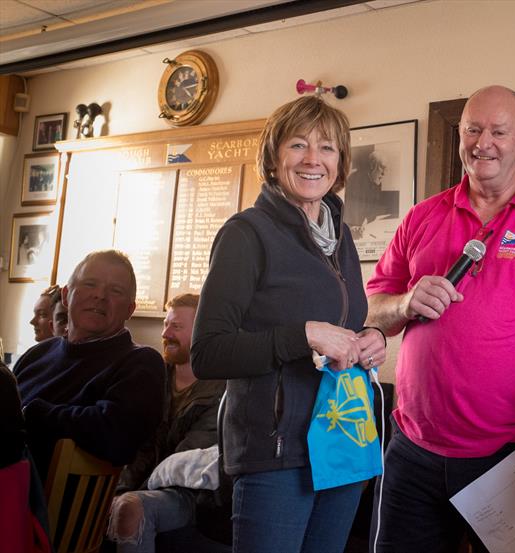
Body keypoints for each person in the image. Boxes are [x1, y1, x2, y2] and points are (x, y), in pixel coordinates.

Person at [365, 85, 515, 552]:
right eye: (472, 129)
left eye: (498, 131)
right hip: (413, 450)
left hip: (513, 456)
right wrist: (404, 302)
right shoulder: (421, 217)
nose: (482, 142)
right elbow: (371, 308)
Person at [191, 95, 387, 553]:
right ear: (274, 156)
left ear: (341, 162)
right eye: (298, 145)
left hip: (340, 442)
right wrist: (302, 336)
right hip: (276, 456)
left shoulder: (339, 238)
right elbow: (207, 352)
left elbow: (344, 323)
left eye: (327, 148)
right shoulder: (246, 233)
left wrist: (369, 339)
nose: (313, 159)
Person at [14, 250, 165, 477]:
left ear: (130, 310)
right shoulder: (35, 355)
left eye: (115, 290)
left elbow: (117, 436)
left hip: (44, 505)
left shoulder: (140, 363)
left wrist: (33, 414)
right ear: (66, 296)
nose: (100, 296)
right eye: (90, 284)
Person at [107, 293, 226, 552]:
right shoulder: (154, 377)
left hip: (191, 492)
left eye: (177, 327)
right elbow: (141, 444)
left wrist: (129, 495)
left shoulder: (222, 388)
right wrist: (118, 491)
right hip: (147, 483)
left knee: (129, 507)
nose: (166, 333)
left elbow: (184, 460)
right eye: (165, 324)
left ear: (203, 331)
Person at [344, 148, 399, 238]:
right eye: (382, 167)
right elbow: (350, 213)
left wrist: (366, 220)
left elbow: (373, 209)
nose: (384, 173)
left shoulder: (375, 181)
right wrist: (353, 226)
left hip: (364, 228)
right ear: (372, 166)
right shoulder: (356, 180)